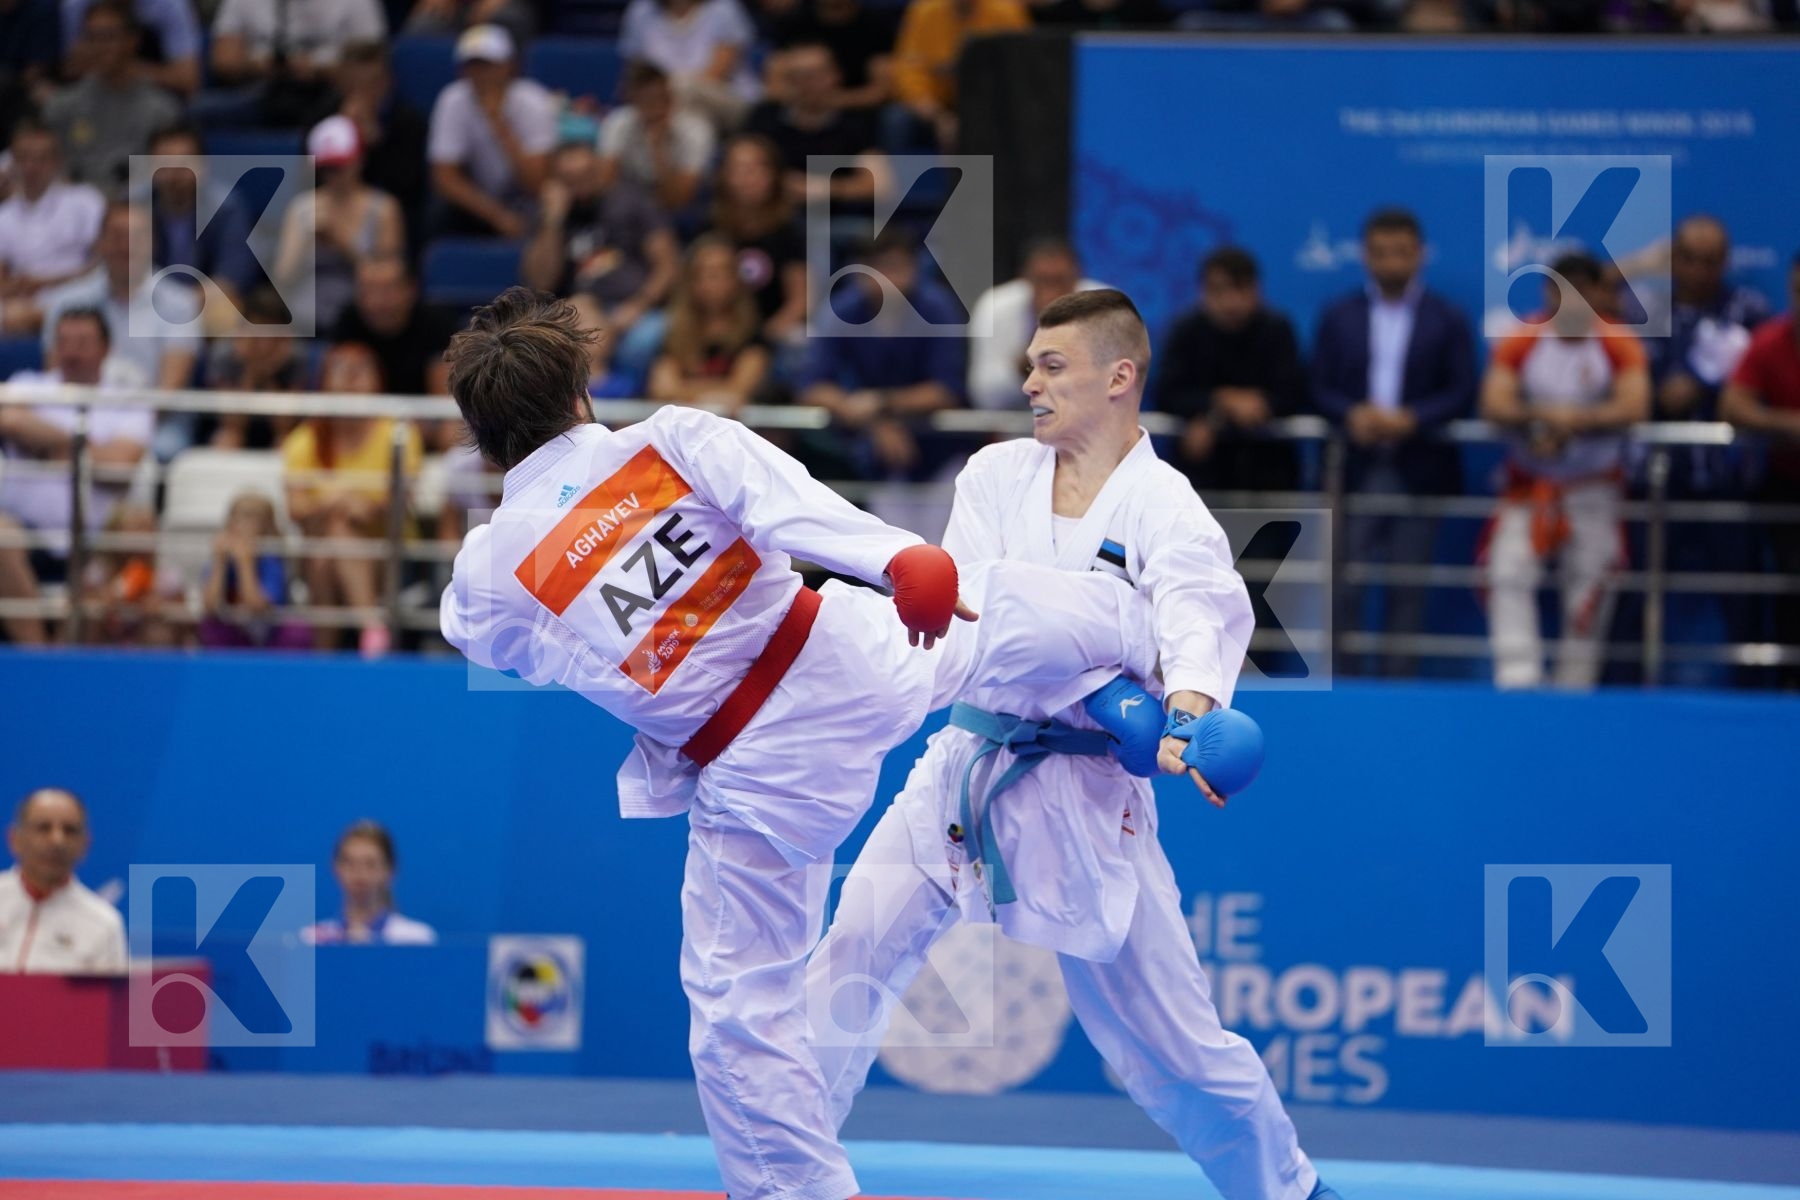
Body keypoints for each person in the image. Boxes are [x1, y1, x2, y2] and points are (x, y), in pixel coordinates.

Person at [438, 286, 1162, 1200]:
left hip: (764, 774)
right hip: (844, 658)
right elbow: (793, 507)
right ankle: (1136, 669)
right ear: (582, 393)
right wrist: (901, 559)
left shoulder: (493, 565)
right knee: (997, 610)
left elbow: (488, 639)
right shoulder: (671, 438)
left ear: (481, 436)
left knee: (743, 1009)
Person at [807, 288, 1338, 1200]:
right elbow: (976, 618)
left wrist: (1189, 721)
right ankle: (781, 1177)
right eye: (1029, 366)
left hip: (1086, 798)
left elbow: (1196, 616)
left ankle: (1289, 1190)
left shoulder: (1166, 507)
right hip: (962, 772)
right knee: (847, 960)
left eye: (1052, 366)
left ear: (1119, 377)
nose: (1030, 383)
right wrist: (1110, 689)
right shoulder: (991, 475)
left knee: (1172, 1047)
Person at [1311, 207, 1476, 677]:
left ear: (1420, 255)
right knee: (1345, 582)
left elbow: (1463, 389)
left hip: (1418, 466)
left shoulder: (1448, 318)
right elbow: (1318, 385)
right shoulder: (1339, 316)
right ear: (1365, 255)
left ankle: (1397, 687)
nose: (1391, 263)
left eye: (1402, 252)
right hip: (1355, 467)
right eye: (1381, 253)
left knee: (1409, 584)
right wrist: (1351, 414)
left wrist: (1413, 418)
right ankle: (1344, 682)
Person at [1480, 252, 1650, 691]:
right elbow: (1494, 402)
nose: (1571, 300)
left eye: (1581, 290)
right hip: (1530, 484)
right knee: (1506, 571)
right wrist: (1541, 417)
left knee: (1591, 588)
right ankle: (1519, 679)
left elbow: (1635, 405)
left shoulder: (1616, 339)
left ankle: (1577, 686)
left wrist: (1574, 420)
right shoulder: (1524, 338)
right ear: (1548, 292)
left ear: (1597, 293)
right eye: (1561, 289)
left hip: (1594, 488)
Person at [0, 306, 151, 646]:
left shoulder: (126, 399)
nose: (71, 352)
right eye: (64, 341)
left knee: (133, 541)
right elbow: (9, 421)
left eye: (82, 342)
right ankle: (39, 657)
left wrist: (53, 443)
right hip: (26, 529)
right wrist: (83, 445)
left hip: (98, 537)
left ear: (106, 349)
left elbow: (120, 466)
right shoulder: (28, 383)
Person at [282, 341, 423, 656]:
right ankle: (371, 629)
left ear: (378, 382)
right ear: (325, 384)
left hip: (389, 553)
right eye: (341, 370)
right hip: (321, 554)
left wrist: (363, 506)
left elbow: (400, 502)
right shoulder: (304, 440)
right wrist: (337, 501)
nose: (350, 379)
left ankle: (324, 654)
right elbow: (295, 508)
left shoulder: (398, 434)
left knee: (333, 538)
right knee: (330, 540)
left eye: (360, 371)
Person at [797, 227, 964, 483]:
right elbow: (812, 387)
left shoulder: (937, 309)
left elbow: (946, 391)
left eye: (896, 267)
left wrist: (881, 402)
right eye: (877, 269)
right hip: (869, 452)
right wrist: (872, 423)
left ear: (915, 268)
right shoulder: (841, 311)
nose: (888, 279)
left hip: (939, 447)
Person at [519, 137, 679, 386]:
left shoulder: (632, 201)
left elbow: (667, 264)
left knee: (645, 338)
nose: (580, 185)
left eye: (586, 174)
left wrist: (639, 304)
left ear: (599, 168)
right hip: (575, 310)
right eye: (570, 179)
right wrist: (553, 220)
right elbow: (540, 279)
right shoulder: (550, 215)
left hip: (634, 306)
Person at [1155, 246, 1308, 495]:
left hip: (1268, 475)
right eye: (1218, 290)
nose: (1230, 301)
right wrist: (1223, 401)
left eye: (1239, 289)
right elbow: (1166, 393)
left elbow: (1295, 393)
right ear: (1203, 292)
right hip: (1200, 477)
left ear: (1256, 290)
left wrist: (1260, 405)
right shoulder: (1186, 331)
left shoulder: (1277, 329)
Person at [1721, 251, 1800, 689]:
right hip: (1788, 484)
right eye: (1799, 291)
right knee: (1790, 581)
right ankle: (1789, 682)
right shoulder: (1772, 340)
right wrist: (1785, 423)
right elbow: (1732, 404)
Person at [274, 115, 404, 334]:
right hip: (304, 312)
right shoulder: (302, 208)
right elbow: (282, 278)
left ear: (359, 160)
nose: (334, 176)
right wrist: (304, 241)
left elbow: (389, 280)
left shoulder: (384, 209)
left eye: (340, 166)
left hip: (363, 313)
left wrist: (341, 243)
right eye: (327, 168)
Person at [426, 23, 556, 239]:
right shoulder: (452, 100)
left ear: (509, 66)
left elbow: (537, 183)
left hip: (524, 197)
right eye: (471, 65)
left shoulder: (534, 102)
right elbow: (444, 178)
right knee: (439, 213)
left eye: (487, 65)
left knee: (545, 211)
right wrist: (497, 216)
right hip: (479, 198)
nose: (478, 74)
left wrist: (499, 125)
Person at [41, 0, 180, 195]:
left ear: (132, 40)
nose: (100, 46)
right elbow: (45, 168)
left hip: (132, 213)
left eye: (108, 37)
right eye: (92, 37)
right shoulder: (61, 106)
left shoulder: (161, 111)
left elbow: (161, 179)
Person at [966, 236, 1103, 411]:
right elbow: (984, 396)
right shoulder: (994, 307)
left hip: (1086, 421)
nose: (1052, 293)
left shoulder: (1104, 306)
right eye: (1043, 281)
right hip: (1016, 426)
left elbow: (1116, 386)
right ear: (1026, 279)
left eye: (1060, 281)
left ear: (1077, 278)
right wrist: (1021, 368)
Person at [0, 788, 126, 973]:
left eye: (70, 830)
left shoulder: (103, 924)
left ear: (85, 844)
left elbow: (107, 1000)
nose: (57, 840)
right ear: (15, 839)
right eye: (43, 828)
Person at [745, 40, 886, 204]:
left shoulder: (856, 122)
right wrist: (777, 183)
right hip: (771, 212)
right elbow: (742, 167)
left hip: (836, 219)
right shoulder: (765, 117)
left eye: (815, 75)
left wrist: (824, 188)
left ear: (836, 75)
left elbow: (878, 184)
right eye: (797, 77)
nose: (807, 85)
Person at [205, 0, 385, 127]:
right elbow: (223, 60)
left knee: (359, 114)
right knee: (200, 113)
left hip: (332, 92)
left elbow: (371, 64)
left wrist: (317, 69)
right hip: (264, 90)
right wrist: (264, 66)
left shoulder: (357, 3)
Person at [704, 132, 807, 352]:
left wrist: (763, 336)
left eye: (756, 169)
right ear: (723, 176)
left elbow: (800, 300)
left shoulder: (789, 231)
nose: (747, 178)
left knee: (801, 342)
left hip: (773, 329)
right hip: (718, 327)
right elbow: (694, 292)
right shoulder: (710, 228)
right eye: (738, 169)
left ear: (774, 176)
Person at [0, 118, 105, 332]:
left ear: (57, 161)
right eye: (23, 158)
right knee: (13, 315)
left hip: (80, 293)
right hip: (22, 301)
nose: (31, 167)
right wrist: (20, 286)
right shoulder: (4, 215)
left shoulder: (85, 201)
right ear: (13, 162)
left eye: (41, 159)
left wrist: (47, 282)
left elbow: (103, 261)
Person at [648, 233, 771, 414]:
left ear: (735, 279)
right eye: (699, 275)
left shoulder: (752, 335)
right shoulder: (675, 333)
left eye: (716, 275)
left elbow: (740, 389)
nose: (707, 283)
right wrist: (717, 393)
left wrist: (683, 391)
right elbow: (661, 389)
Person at [889, 0, 1028, 150]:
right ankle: (895, 173)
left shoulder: (1007, 11)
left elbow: (1019, 71)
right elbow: (907, 70)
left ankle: (986, 172)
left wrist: (975, 115)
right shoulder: (923, 11)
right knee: (896, 119)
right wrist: (937, 116)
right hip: (935, 104)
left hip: (989, 103)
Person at [617, 0, 761, 131]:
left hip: (728, 98)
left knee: (684, 87)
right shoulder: (641, 11)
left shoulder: (724, 9)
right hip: (671, 103)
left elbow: (716, 74)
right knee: (622, 119)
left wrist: (668, 91)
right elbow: (639, 73)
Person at [596, 60, 715, 215]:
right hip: (628, 205)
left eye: (656, 97)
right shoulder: (618, 123)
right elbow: (604, 187)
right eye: (642, 98)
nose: (651, 105)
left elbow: (679, 199)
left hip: (679, 211)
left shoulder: (696, 130)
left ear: (669, 94)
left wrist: (658, 148)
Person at [198, 490, 312, 651]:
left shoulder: (272, 561)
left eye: (250, 518)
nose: (241, 524)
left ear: (266, 527)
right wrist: (220, 563)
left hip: (270, 636)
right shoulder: (219, 559)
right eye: (236, 517)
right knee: (211, 627)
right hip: (235, 634)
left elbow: (256, 607)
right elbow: (209, 606)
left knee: (297, 631)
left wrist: (245, 563)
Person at [330, 255, 457, 397]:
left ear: (411, 289)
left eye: (387, 290)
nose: (377, 301)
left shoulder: (435, 323)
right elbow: (336, 394)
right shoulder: (348, 320)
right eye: (368, 290)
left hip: (422, 415)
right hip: (368, 415)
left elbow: (445, 398)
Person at [302, 821, 437, 945]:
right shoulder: (312, 939)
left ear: (390, 870)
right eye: (350, 863)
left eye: (370, 864)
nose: (359, 873)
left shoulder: (415, 939)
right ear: (335, 867)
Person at [202, 286, 304, 449]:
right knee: (227, 440)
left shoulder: (293, 356)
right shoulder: (225, 353)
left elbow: (285, 424)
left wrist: (270, 375)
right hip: (238, 426)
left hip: (276, 428)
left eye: (269, 333)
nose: (263, 344)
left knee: (287, 443)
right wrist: (250, 371)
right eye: (256, 332)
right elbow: (231, 422)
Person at [60, 0, 201, 96]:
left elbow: (187, 80)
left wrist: (129, 70)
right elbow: (69, 68)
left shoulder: (169, 5)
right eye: (96, 36)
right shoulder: (76, 6)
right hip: (88, 97)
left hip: (152, 99)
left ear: (133, 40)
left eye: (110, 36)